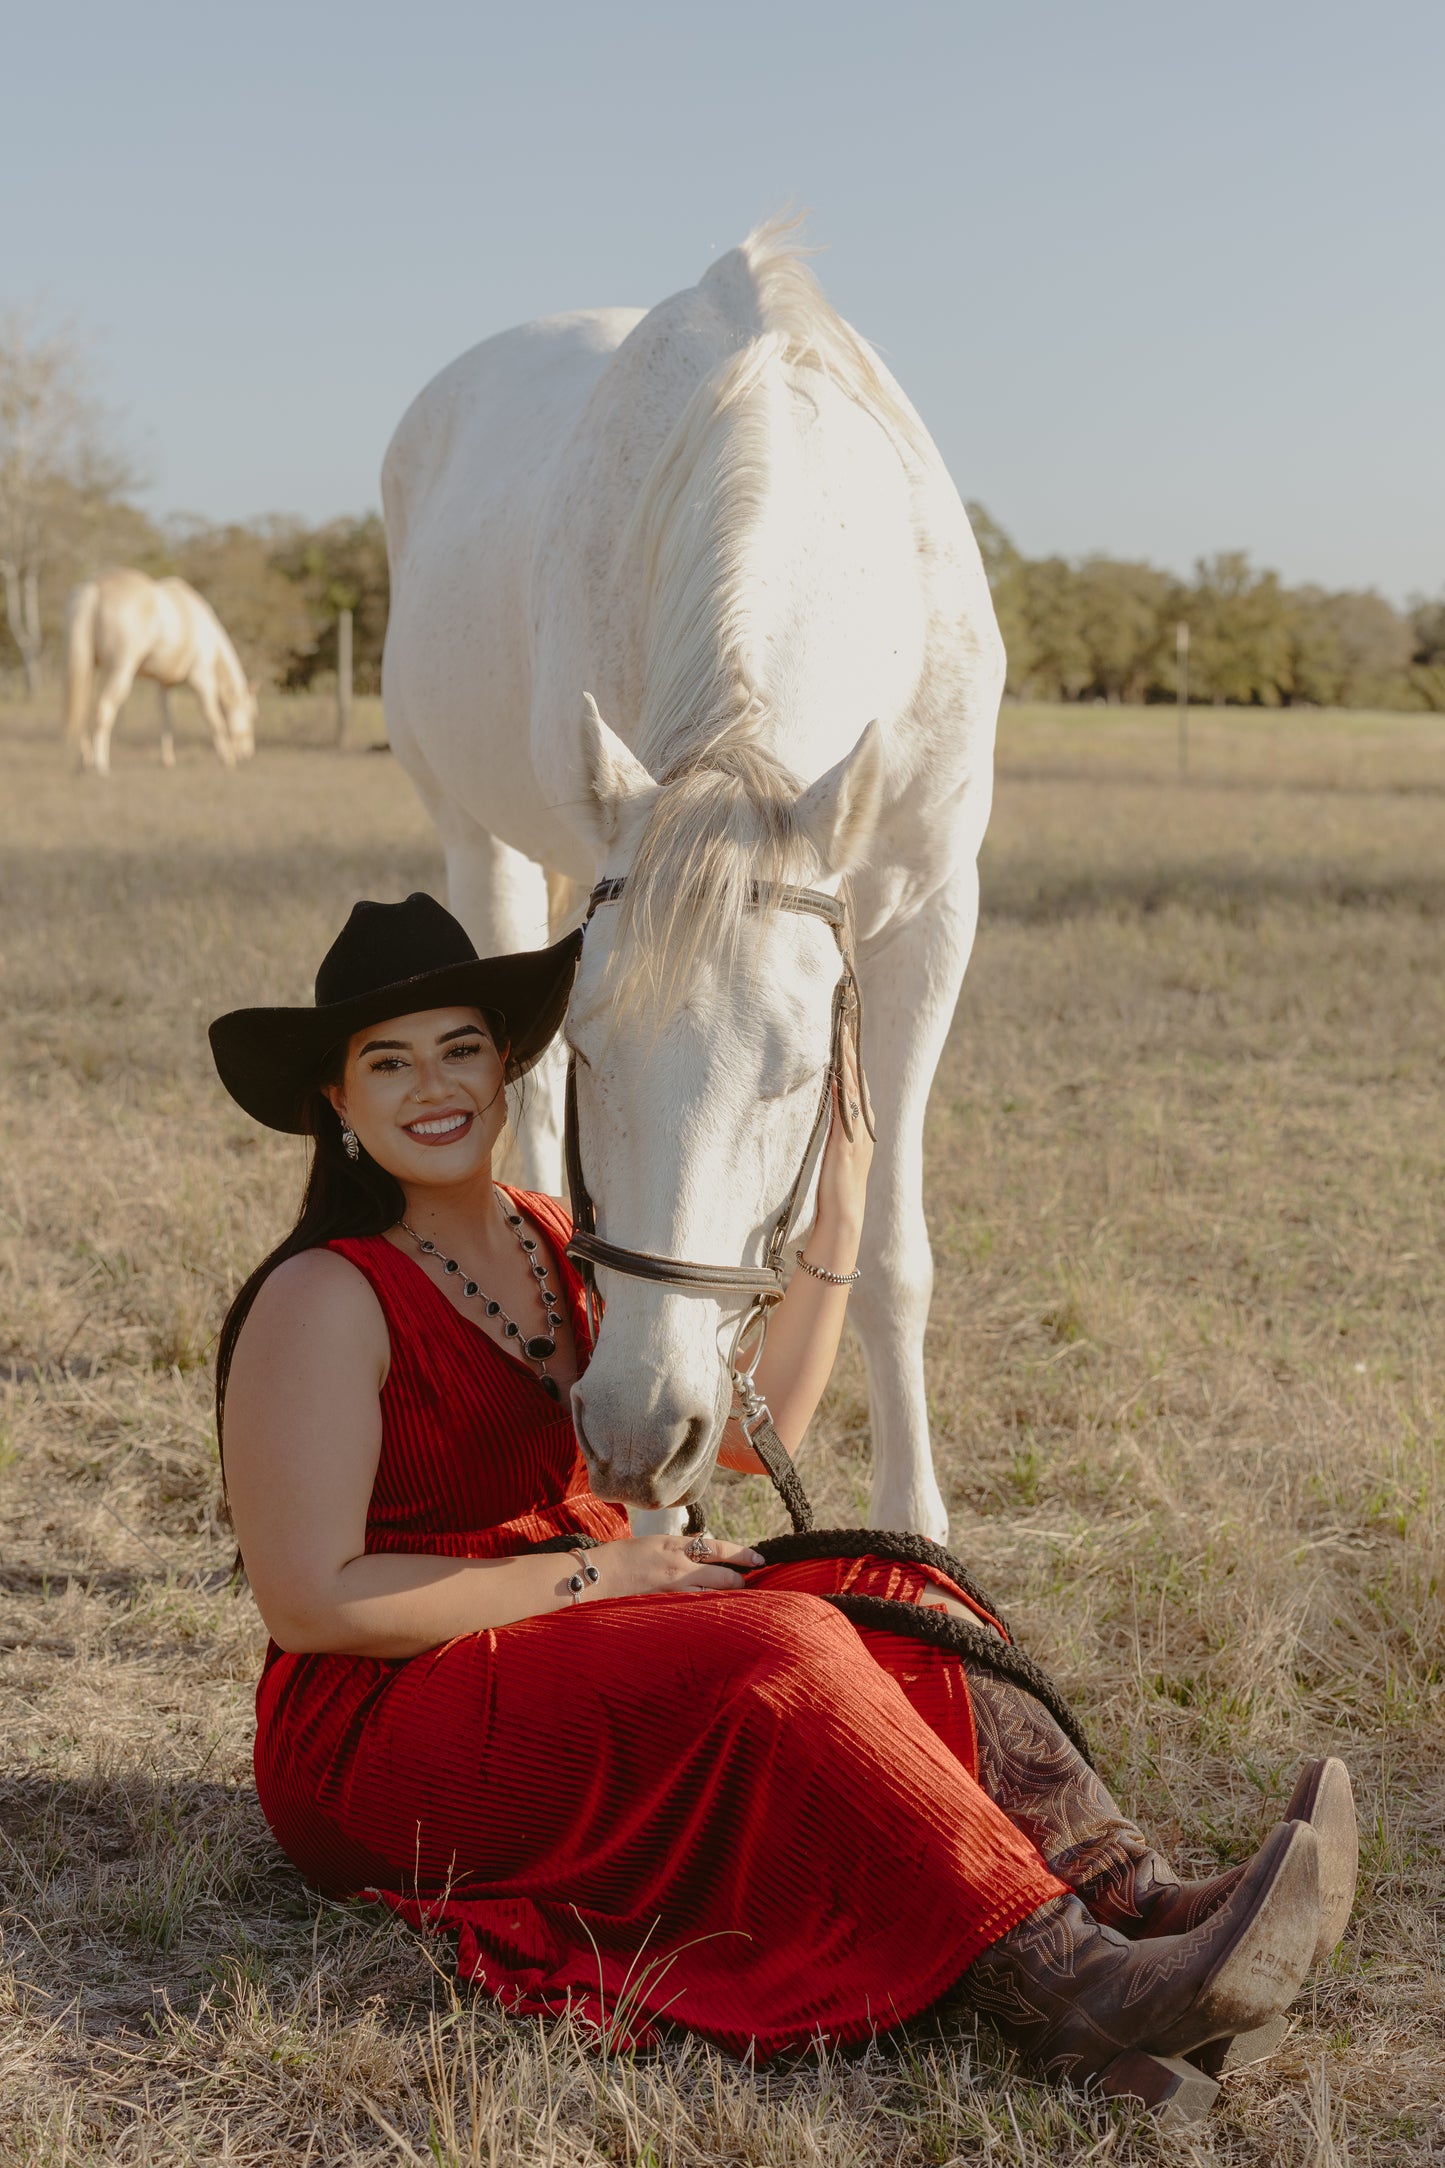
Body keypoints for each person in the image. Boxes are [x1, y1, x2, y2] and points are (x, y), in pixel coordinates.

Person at [208, 892, 1355, 2112]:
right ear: (335, 1100)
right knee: (781, 1644)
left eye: (459, 1048)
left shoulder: (553, 1237)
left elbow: (762, 1441)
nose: (430, 1085)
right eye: (387, 1061)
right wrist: (601, 1575)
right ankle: (1068, 1983)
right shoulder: (324, 1298)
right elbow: (312, 1602)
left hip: (546, 1628)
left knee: (892, 1591)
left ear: (507, 1066)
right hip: (382, 1715)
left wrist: (842, 1198)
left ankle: (1128, 1894)